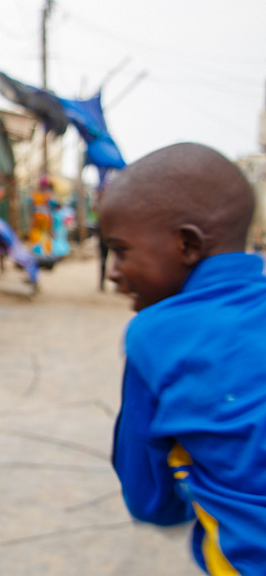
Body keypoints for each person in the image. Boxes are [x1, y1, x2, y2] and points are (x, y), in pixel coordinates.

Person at [101, 142, 266, 574]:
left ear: (187, 245)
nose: (113, 272)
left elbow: (150, 500)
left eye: (120, 250)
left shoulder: (155, 335)